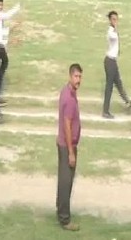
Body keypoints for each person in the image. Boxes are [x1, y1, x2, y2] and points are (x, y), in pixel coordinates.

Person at [56, 63, 83, 232]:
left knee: (63, 180)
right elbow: (67, 125)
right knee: (66, 182)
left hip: (63, 144)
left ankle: (60, 208)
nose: (78, 80)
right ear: (70, 76)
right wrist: (71, 152)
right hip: (67, 146)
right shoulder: (69, 98)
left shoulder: (67, 92)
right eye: (76, 76)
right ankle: (65, 219)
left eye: (80, 77)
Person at [102, 11, 131, 119]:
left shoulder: (114, 31)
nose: (115, 21)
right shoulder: (111, 31)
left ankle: (127, 101)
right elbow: (112, 38)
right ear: (110, 20)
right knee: (109, 87)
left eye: (116, 19)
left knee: (118, 82)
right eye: (113, 19)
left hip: (112, 61)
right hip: (110, 62)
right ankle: (105, 111)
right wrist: (115, 27)